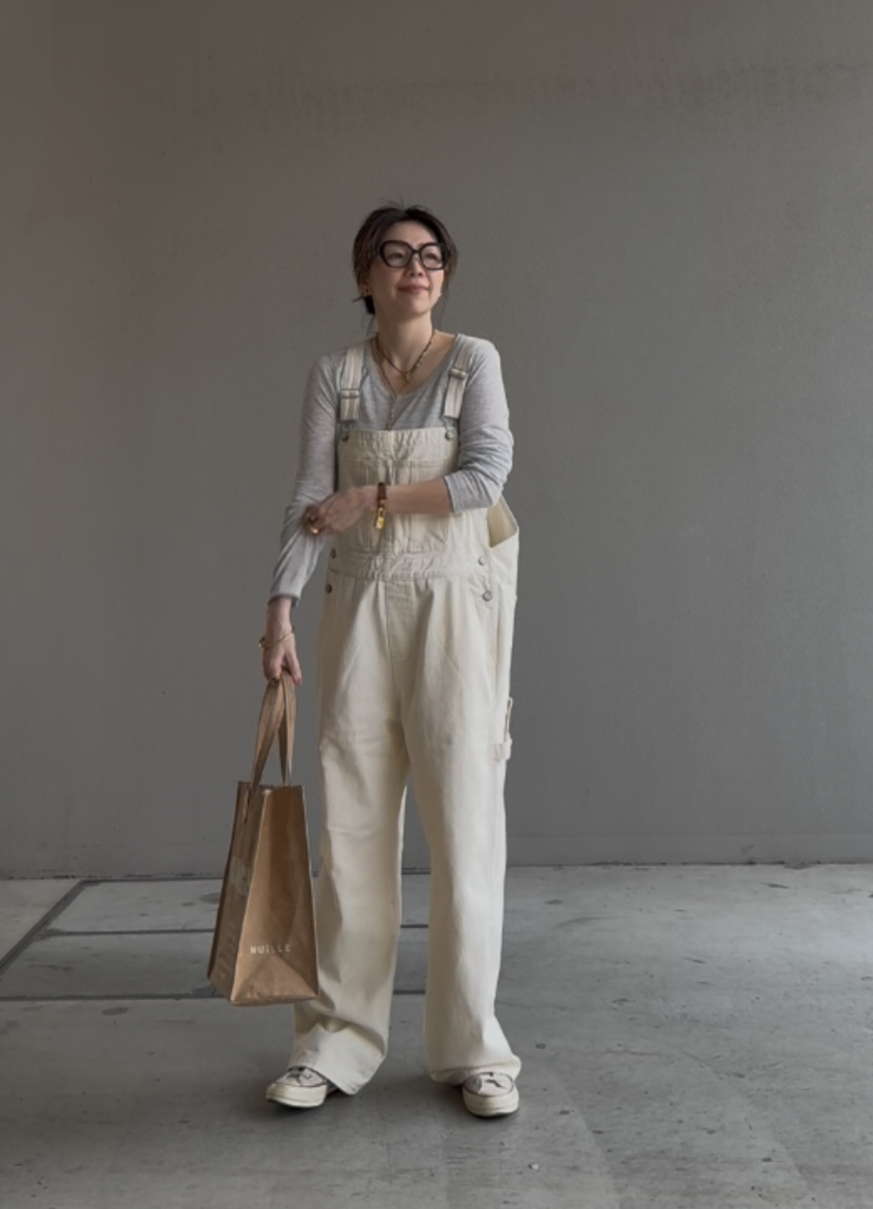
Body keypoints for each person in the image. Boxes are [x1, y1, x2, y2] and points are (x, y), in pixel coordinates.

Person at [260, 204, 521, 1118]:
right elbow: (308, 497)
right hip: (357, 604)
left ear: (445, 273)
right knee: (353, 829)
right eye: (396, 253)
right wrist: (281, 608)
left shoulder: (472, 361)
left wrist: (368, 494)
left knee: (466, 825)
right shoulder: (335, 374)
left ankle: (474, 1049)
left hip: (453, 607)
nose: (417, 266)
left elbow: (484, 478)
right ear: (364, 273)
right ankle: (333, 1041)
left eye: (432, 254)